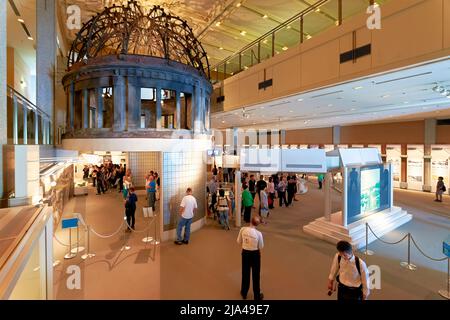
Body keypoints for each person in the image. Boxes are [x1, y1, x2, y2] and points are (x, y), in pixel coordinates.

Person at [237, 216, 264, 300]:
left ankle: (244, 292)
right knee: (256, 274)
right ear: (258, 224)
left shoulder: (243, 229)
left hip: (245, 253)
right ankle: (257, 295)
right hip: (255, 254)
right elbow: (261, 246)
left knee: (245, 273)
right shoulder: (258, 233)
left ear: (250, 221)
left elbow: (238, 241)